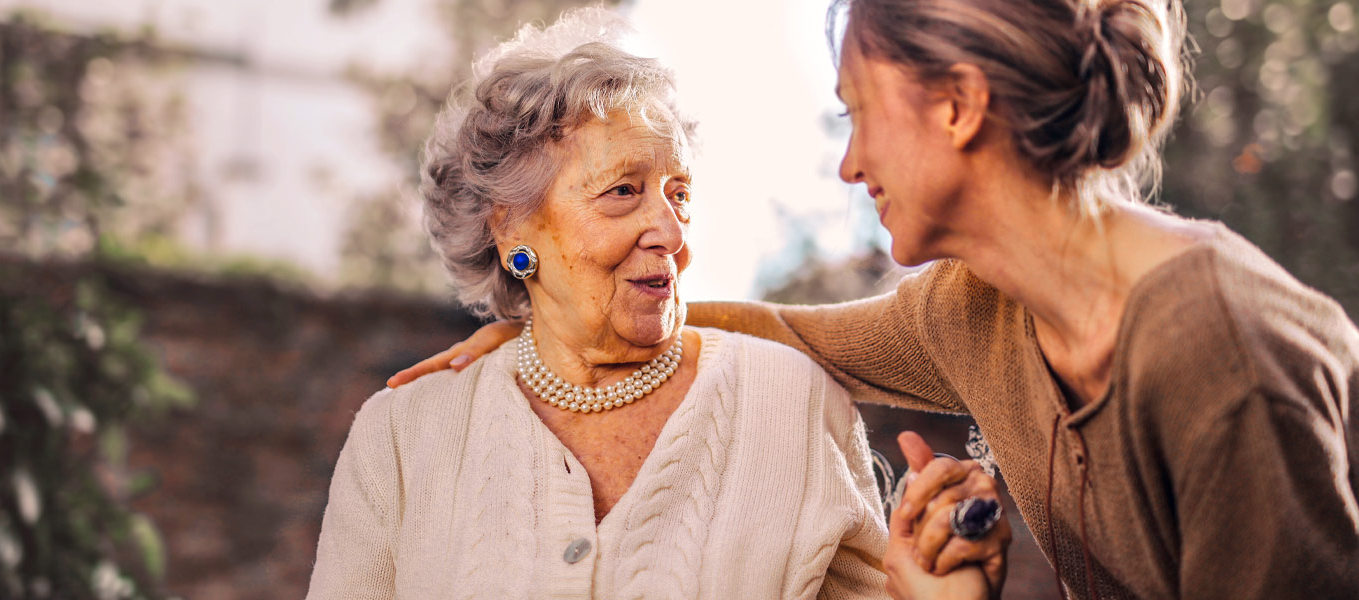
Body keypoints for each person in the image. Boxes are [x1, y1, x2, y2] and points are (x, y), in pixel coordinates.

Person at [390, 0, 1359, 598]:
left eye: (858, 114)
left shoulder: (1219, 352)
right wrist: (548, 329)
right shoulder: (976, 310)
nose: (850, 164)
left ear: (958, 105)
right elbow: (781, 332)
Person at [307, 8, 1008, 599]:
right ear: (511, 227)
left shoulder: (791, 403)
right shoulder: (402, 438)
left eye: (680, 194)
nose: (672, 234)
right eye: (623, 192)